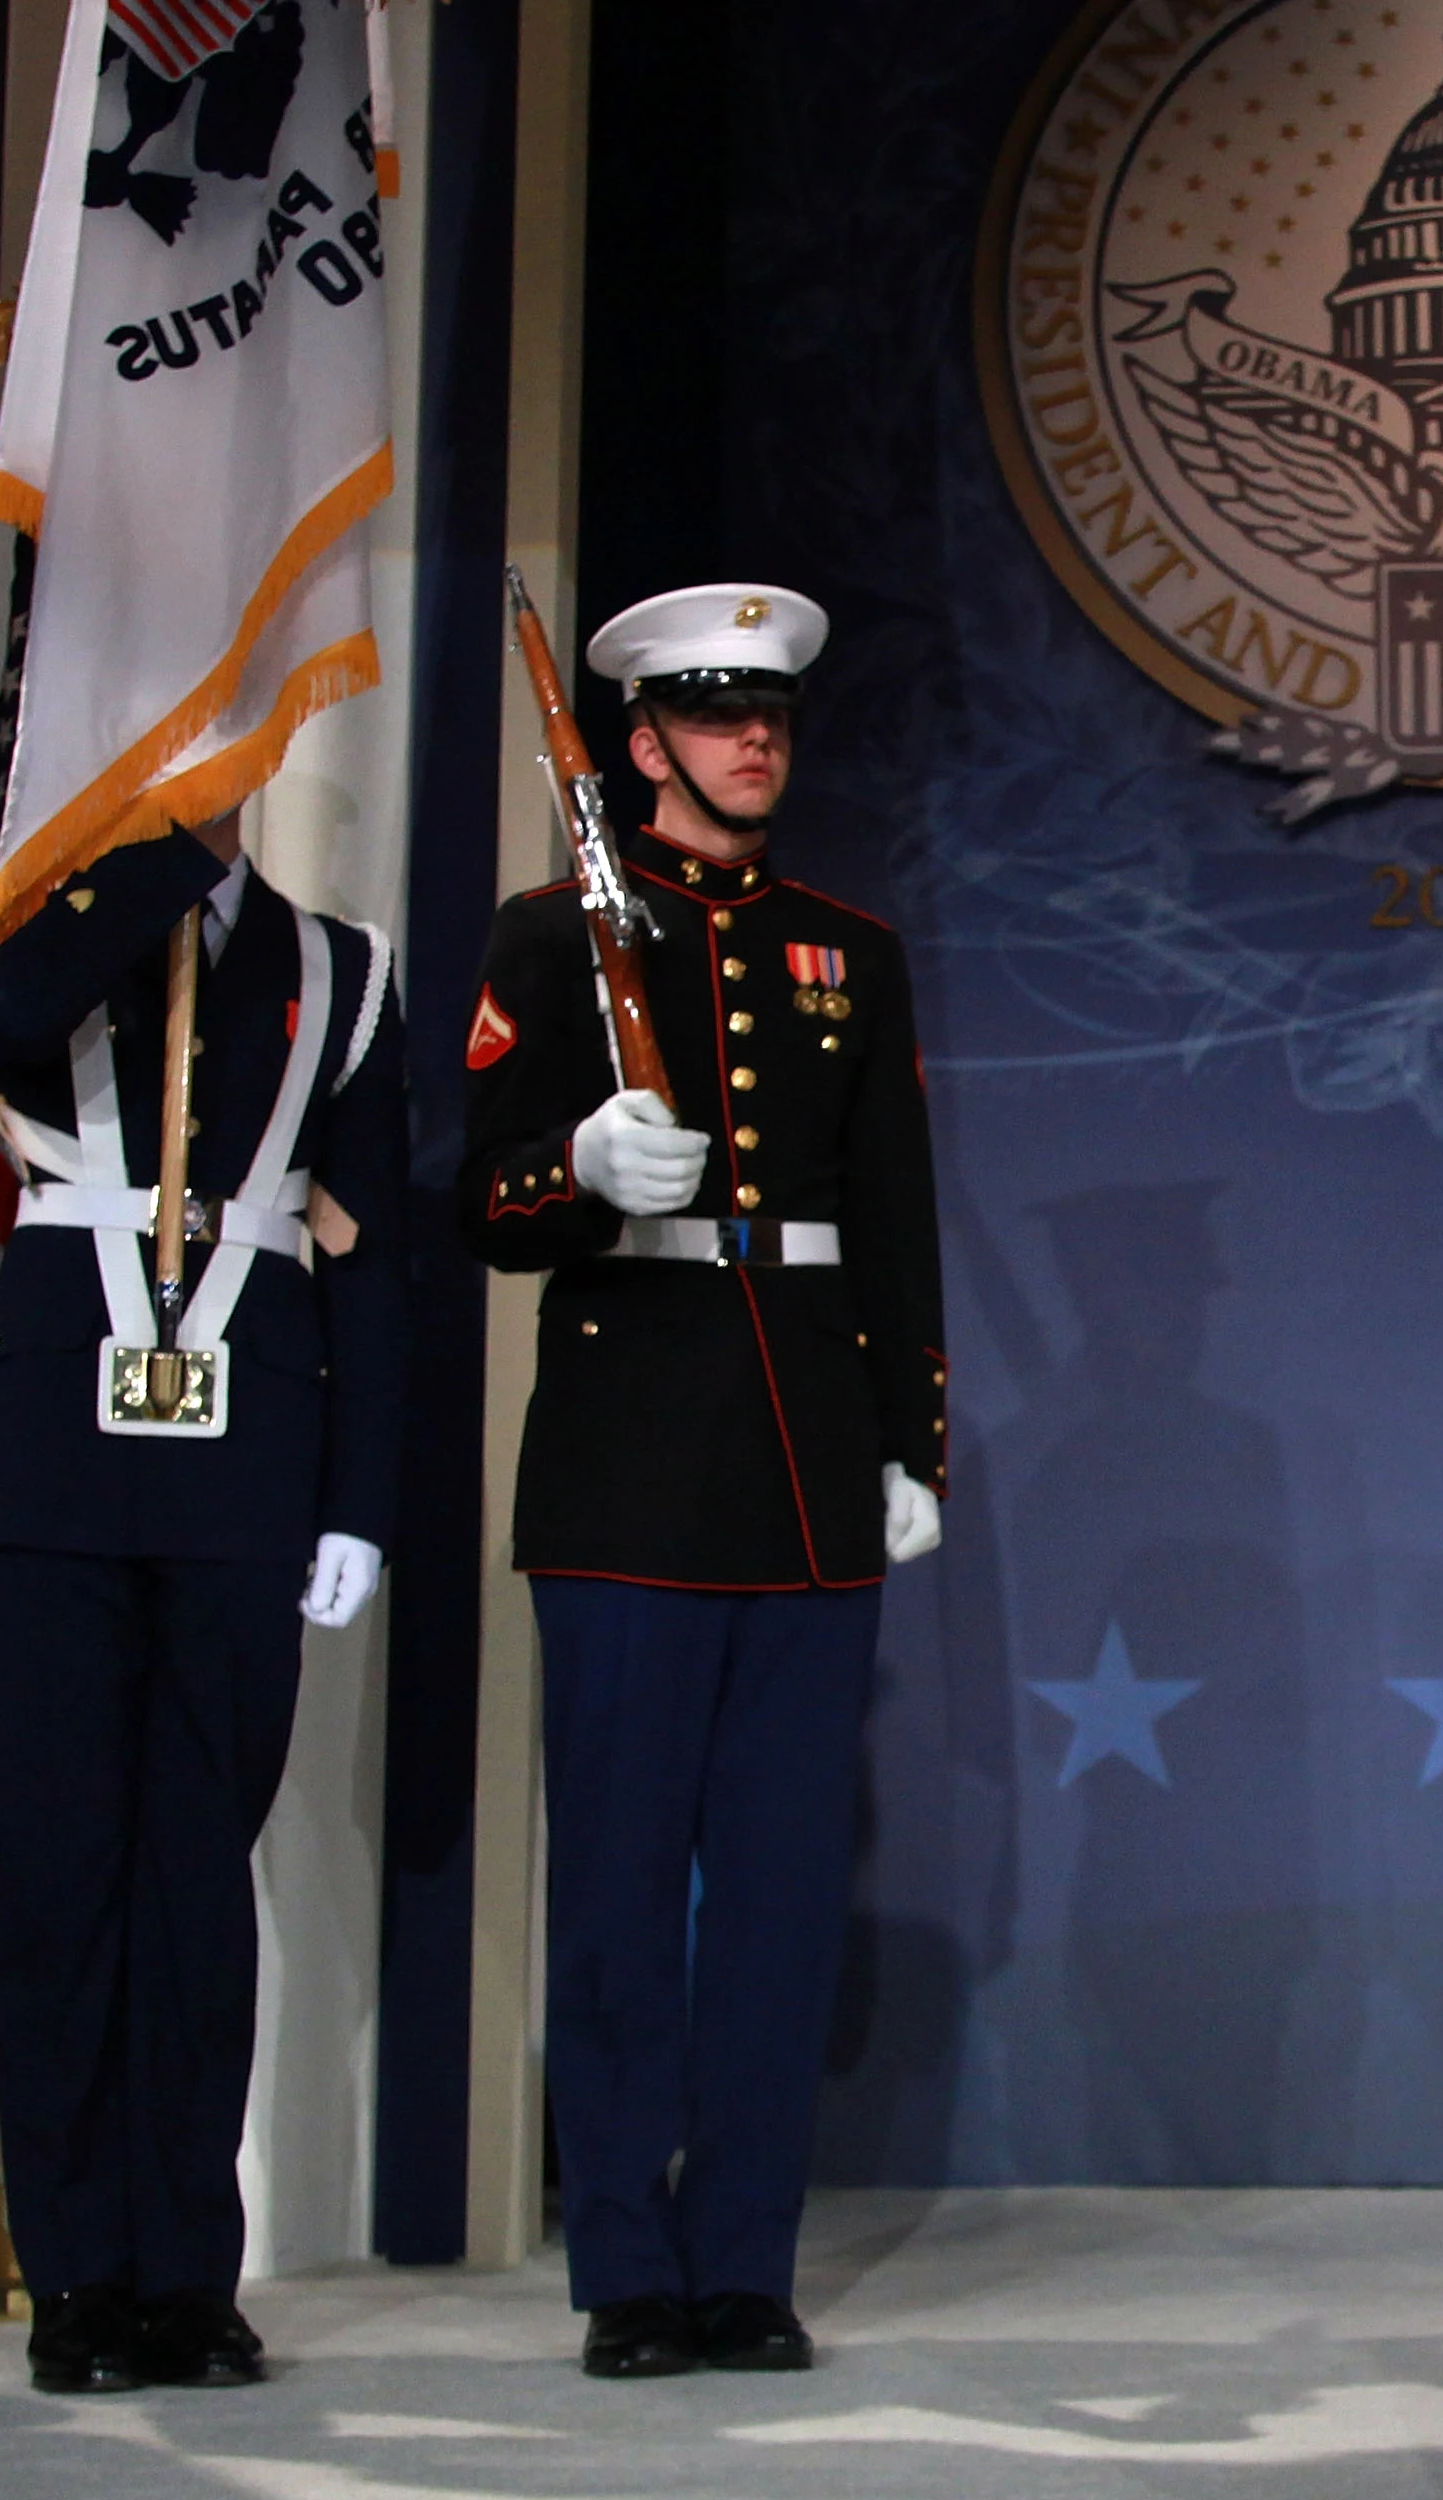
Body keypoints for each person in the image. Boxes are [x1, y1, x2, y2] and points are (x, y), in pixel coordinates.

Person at [456, 581, 947, 2379]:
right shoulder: (549, 934)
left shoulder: (846, 945)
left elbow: (891, 1214)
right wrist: (580, 1164)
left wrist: (914, 1438)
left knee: (775, 1895)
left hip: (810, 1464)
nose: (761, 741)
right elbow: (483, 1201)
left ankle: (744, 2258)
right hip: (630, 1470)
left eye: (777, 715)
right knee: (615, 1894)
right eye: (723, 715)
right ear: (640, 743)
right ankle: (627, 2268)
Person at [0, 806, 407, 2395]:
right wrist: (149, 857)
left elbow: (375, 1253)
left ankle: (185, 2276)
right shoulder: (33, 923)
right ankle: (76, 2278)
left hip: (244, 1458)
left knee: (200, 1885)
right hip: (63, 1458)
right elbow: (4, 1018)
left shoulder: (343, 972)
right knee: (67, 1877)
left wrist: (359, 1497)